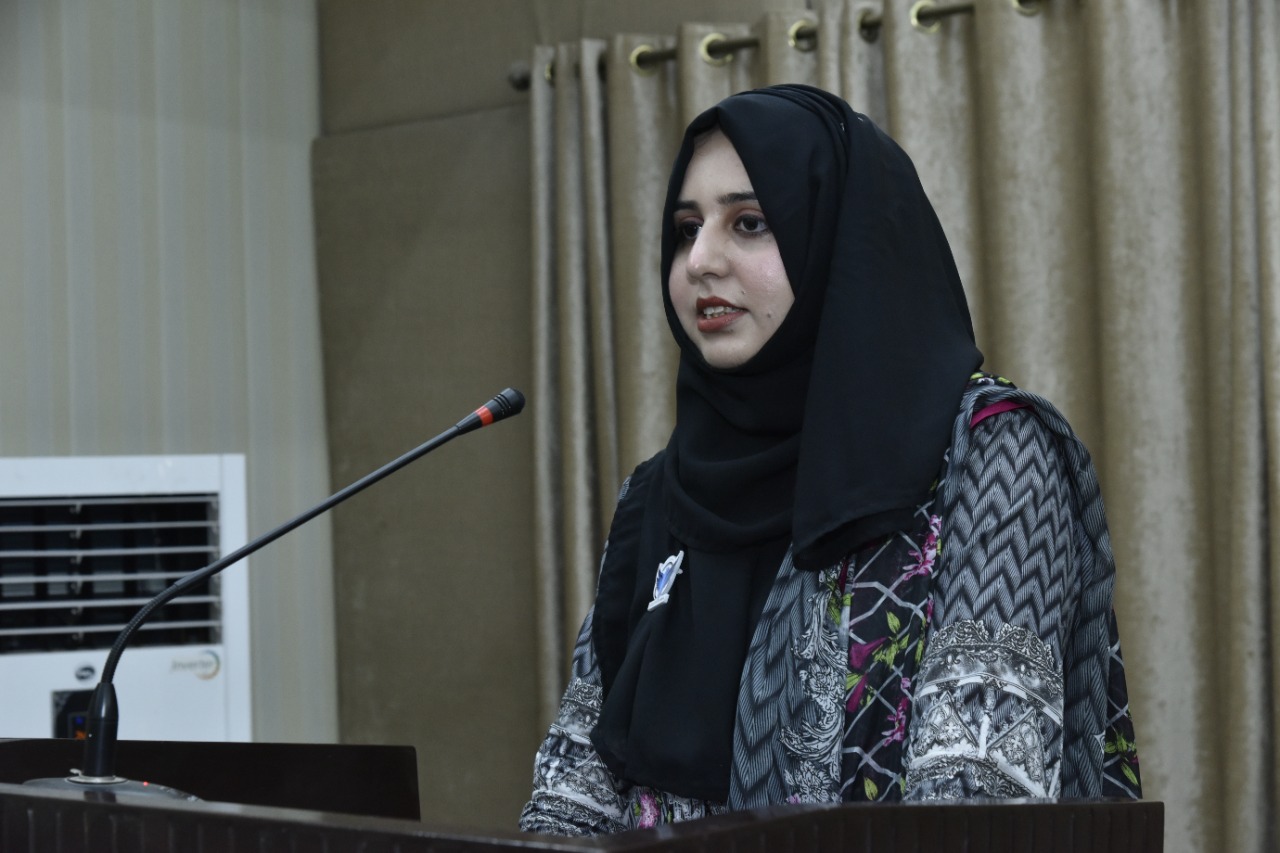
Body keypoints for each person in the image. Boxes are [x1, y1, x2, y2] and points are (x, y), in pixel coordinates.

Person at [520, 84, 1141, 836]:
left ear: (840, 242)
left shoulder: (991, 455)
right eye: (686, 230)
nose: (699, 261)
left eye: (749, 223)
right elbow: (571, 796)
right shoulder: (659, 495)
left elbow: (975, 806)